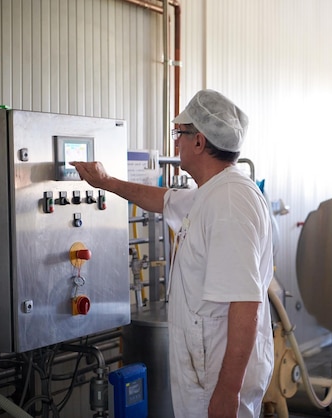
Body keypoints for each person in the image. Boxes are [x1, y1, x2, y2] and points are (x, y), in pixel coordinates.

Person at [71, 89, 274, 418]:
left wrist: (227, 392)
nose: (176, 142)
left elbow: (245, 302)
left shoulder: (229, 203)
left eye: (180, 133)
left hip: (217, 374)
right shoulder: (211, 193)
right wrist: (106, 182)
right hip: (207, 364)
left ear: (199, 142)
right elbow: (163, 199)